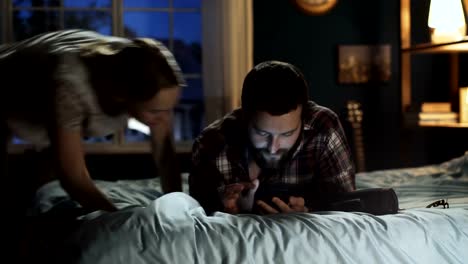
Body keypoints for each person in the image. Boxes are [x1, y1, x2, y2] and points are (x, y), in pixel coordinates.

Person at [0, 29, 186, 213]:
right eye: (154, 111)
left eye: (169, 108)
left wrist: (182, 209)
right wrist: (119, 223)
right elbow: (73, 177)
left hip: (47, 89)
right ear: (123, 95)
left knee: (44, 184)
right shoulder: (70, 84)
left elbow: (165, 156)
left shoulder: (148, 63)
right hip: (7, 82)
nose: (164, 119)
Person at [189, 60, 355, 215]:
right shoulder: (210, 144)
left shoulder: (323, 128)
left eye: (287, 134)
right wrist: (228, 213)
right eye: (262, 133)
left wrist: (307, 216)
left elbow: (348, 210)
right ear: (244, 117)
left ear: (303, 118)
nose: (273, 147)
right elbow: (197, 226)